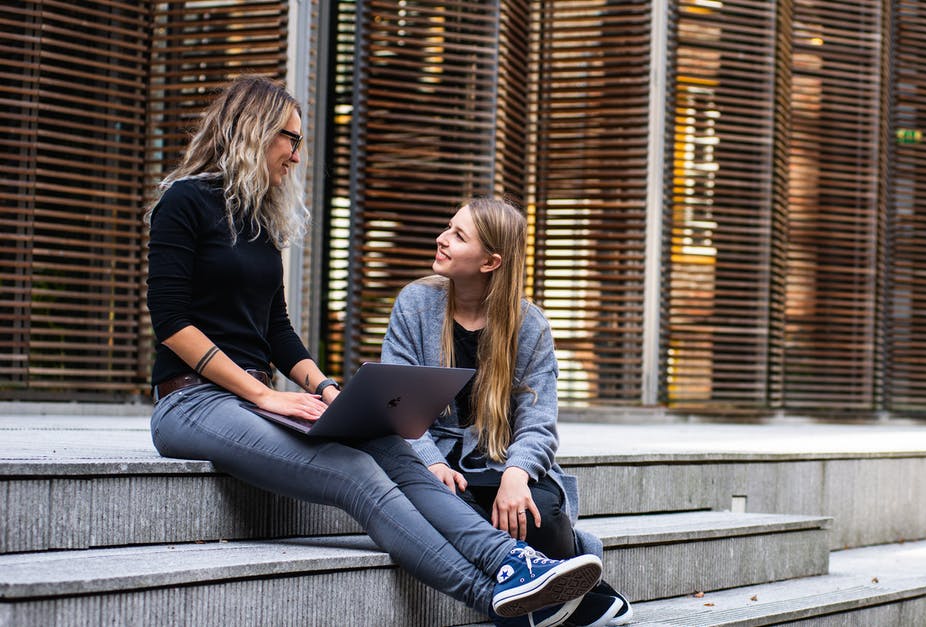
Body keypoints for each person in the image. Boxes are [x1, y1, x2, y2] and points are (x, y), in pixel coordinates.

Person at [145, 75, 601, 627]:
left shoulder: (260, 221)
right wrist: (268, 395)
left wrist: (326, 389)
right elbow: (172, 323)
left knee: (394, 449)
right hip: (192, 403)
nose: (296, 152)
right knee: (355, 472)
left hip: (251, 398)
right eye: (290, 137)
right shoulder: (185, 201)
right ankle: (496, 600)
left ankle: (513, 561)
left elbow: (277, 329)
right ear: (254, 130)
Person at [381, 197, 632, 626]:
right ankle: (587, 599)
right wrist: (431, 462)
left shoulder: (529, 323)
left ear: (490, 261)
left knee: (538, 513)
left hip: (499, 461)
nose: (441, 239)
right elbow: (396, 400)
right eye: (448, 227)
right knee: (446, 506)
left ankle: (550, 598)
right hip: (436, 460)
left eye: (458, 236)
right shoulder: (415, 303)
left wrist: (517, 474)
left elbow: (538, 421)